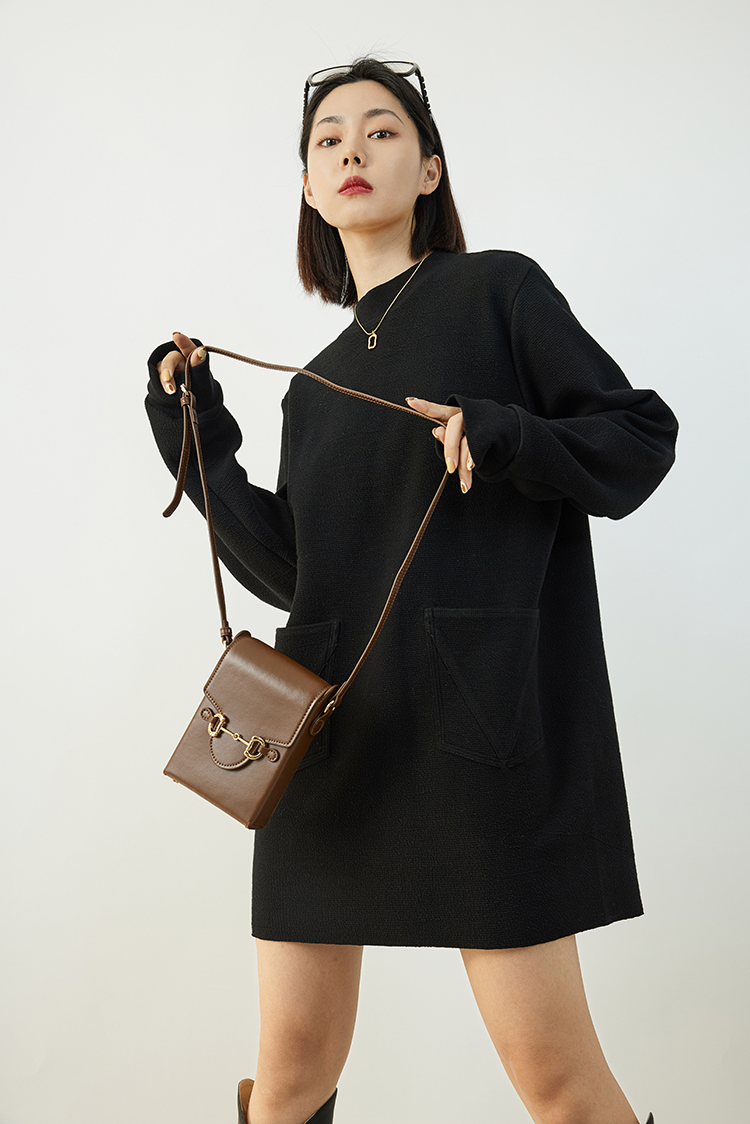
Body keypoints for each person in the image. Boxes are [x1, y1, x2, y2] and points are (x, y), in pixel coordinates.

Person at [145, 57, 676, 1124]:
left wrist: (507, 431)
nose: (353, 148)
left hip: (478, 730)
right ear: (308, 187)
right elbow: (297, 575)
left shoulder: (499, 292)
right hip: (331, 742)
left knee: (558, 1083)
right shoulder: (312, 387)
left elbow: (639, 437)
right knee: (289, 1078)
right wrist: (190, 425)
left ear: (429, 168)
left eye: (383, 130)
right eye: (329, 138)